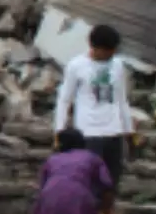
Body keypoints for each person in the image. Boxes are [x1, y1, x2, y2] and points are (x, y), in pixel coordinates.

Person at [53, 24, 133, 189]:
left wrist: (128, 128)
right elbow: (64, 99)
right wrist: (59, 129)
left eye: (113, 50)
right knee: (90, 181)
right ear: (94, 47)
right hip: (88, 132)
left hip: (113, 131)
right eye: (107, 51)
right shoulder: (76, 65)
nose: (111, 54)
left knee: (111, 183)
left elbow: (121, 98)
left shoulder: (117, 65)